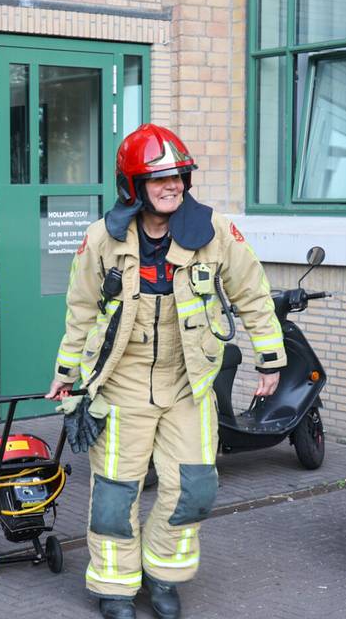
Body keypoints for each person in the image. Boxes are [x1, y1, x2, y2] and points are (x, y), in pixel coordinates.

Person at [45, 124, 286, 619]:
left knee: (195, 489)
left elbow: (253, 294)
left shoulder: (216, 233)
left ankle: (162, 572)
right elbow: (80, 310)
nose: (173, 184)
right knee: (115, 495)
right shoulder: (101, 238)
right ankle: (115, 586)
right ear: (133, 185)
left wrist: (270, 357)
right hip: (120, 382)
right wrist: (68, 374)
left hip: (188, 384)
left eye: (179, 175)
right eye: (159, 178)